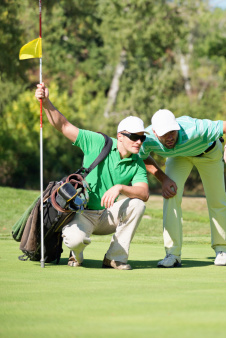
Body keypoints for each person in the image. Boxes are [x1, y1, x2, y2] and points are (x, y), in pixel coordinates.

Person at [35, 83, 149, 270]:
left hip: (107, 214)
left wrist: (120, 188)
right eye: (134, 137)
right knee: (75, 241)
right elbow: (63, 126)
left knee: (137, 204)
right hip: (82, 213)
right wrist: (46, 102)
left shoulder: (137, 162)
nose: (138, 141)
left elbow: (144, 193)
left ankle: (114, 258)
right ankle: (76, 255)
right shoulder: (98, 142)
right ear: (120, 136)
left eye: (142, 138)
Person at [140, 109, 226, 268]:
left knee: (216, 198)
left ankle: (222, 250)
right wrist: (163, 179)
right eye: (165, 134)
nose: (170, 137)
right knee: (171, 195)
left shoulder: (194, 128)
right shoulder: (146, 138)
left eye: (173, 132)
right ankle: (172, 253)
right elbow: (142, 157)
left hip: (208, 153)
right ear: (154, 132)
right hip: (178, 157)